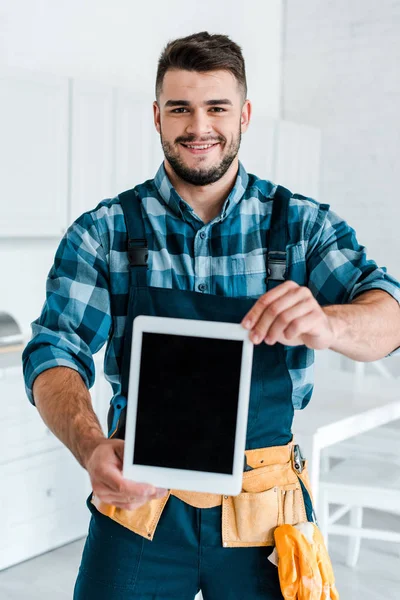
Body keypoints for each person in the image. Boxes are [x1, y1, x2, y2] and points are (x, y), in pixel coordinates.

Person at [22, 31, 400, 600]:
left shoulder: (301, 226)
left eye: (216, 108)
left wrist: (332, 324)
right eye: (181, 108)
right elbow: (54, 350)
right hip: (141, 503)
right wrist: (90, 446)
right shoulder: (105, 232)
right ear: (157, 116)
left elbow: (390, 315)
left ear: (244, 114)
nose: (199, 127)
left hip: (267, 510)